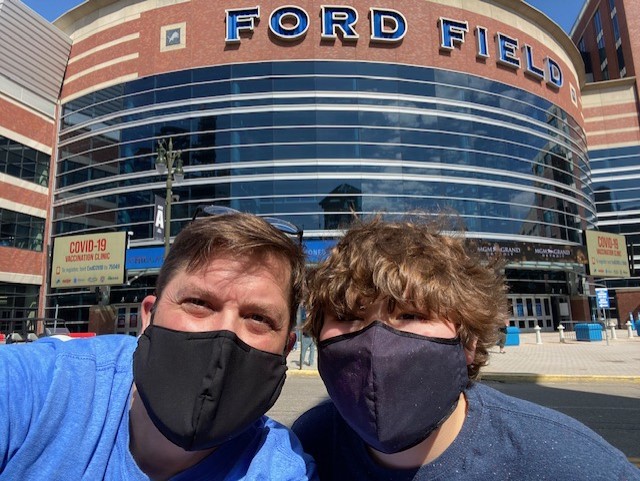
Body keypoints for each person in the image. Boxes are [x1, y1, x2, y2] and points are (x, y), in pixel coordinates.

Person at [292, 216, 640, 480]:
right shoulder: (304, 449)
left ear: (468, 343)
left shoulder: (573, 462)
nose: (376, 343)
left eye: (411, 314)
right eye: (350, 315)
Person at [0, 211, 316, 480]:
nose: (225, 332)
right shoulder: (44, 387)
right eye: (199, 303)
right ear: (149, 316)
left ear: (286, 349)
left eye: (258, 318)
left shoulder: (280, 468)